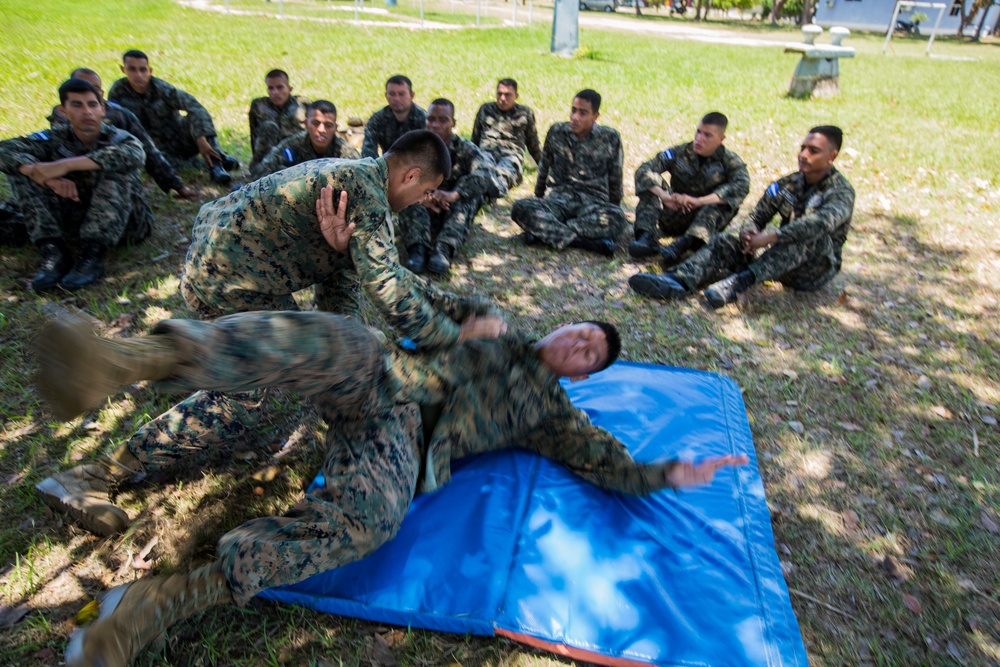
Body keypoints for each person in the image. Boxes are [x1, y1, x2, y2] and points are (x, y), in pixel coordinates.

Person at [35, 306, 748, 667]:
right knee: (343, 337)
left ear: (585, 375)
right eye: (581, 330)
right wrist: (452, 323)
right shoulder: (490, 320)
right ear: (562, 324)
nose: (578, 343)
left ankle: (149, 606)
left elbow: (609, 464)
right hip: (373, 373)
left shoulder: (550, 411)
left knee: (374, 518)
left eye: (590, 352)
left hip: (397, 435)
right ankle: (124, 357)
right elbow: (403, 296)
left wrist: (669, 475)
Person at [33, 130, 507, 538]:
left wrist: (341, 340)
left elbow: (341, 294)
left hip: (225, 259)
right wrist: (451, 336)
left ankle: (114, 368)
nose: (423, 202)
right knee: (248, 384)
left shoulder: (354, 178)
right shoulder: (368, 195)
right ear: (409, 176)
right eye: (425, 192)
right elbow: (390, 289)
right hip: (228, 276)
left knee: (304, 348)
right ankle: (98, 466)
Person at [629, 126, 854, 309]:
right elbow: (758, 214)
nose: (803, 155)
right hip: (777, 260)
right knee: (724, 241)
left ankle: (737, 284)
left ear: (831, 157)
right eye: (803, 148)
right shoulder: (788, 183)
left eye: (813, 151)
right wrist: (750, 231)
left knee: (808, 235)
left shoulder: (840, 191)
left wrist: (770, 238)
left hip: (812, 270)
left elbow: (821, 223)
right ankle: (677, 280)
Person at [0, 78, 152, 291]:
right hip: (74, 219)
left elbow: (133, 155)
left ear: (102, 109)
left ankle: (92, 256)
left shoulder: (117, 138)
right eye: (77, 105)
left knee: (115, 170)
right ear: (63, 111)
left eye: (92, 104)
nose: (87, 111)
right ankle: (54, 252)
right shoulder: (54, 137)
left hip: (126, 224)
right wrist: (42, 175)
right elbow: (4, 150)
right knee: (22, 171)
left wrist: (64, 166)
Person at [48, 67, 197, 199]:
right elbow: (48, 150)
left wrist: (177, 185)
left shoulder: (120, 115)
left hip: (111, 182)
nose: (85, 94)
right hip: (71, 187)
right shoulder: (61, 116)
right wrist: (49, 178)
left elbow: (148, 150)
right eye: (78, 89)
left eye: (93, 89)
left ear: (101, 93)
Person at [511, 89, 626, 258]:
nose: (575, 117)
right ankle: (584, 242)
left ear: (596, 117)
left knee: (617, 218)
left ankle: (546, 232)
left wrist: (614, 206)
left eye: (583, 113)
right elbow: (544, 166)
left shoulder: (610, 138)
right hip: (558, 200)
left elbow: (616, 176)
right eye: (573, 110)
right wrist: (539, 197)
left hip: (592, 203)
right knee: (520, 208)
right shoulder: (557, 132)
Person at [629, 112, 750, 263]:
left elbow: (742, 186)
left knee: (725, 203)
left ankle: (681, 246)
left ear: (721, 139)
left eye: (707, 135)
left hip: (702, 225)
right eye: (698, 132)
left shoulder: (730, 161)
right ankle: (645, 238)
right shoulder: (681, 152)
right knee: (651, 183)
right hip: (674, 212)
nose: (699, 139)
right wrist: (664, 196)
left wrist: (699, 201)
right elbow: (644, 169)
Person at [108, 49, 239, 185]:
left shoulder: (162, 89)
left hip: (180, 140)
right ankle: (214, 160)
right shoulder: (118, 92)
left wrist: (201, 139)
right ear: (123, 70)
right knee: (166, 167)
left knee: (197, 117)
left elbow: (196, 107)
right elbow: (114, 122)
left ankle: (216, 165)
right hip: (152, 149)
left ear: (150, 70)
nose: (138, 75)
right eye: (132, 69)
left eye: (143, 70)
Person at [411, 98, 507, 275]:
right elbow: (398, 178)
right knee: (407, 200)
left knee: (471, 196)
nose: (435, 125)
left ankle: (444, 249)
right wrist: (421, 197)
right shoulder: (415, 148)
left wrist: (454, 194)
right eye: (431, 119)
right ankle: (418, 249)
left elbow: (485, 174)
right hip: (425, 206)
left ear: (453, 123)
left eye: (443, 120)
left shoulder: (465, 148)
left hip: (452, 207)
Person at [361, 75, 432, 273]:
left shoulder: (423, 120)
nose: (397, 98)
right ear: (386, 95)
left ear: (412, 95)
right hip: (388, 174)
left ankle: (418, 248)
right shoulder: (378, 119)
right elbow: (368, 154)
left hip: (418, 176)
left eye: (402, 94)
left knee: (413, 203)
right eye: (392, 94)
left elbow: (430, 156)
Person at [250, 100, 360, 179]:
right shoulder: (292, 145)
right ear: (306, 124)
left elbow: (365, 181)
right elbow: (261, 173)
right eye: (315, 124)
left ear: (335, 128)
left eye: (328, 125)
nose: (321, 130)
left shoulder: (346, 153)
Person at [471, 78, 542, 190]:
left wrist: (544, 166)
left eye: (507, 95)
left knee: (504, 174)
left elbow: (533, 144)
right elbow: (475, 138)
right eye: (499, 94)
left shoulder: (525, 113)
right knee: (481, 170)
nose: (502, 98)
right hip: (487, 152)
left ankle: (493, 190)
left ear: (516, 96)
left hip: (511, 154)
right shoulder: (485, 109)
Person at [248, 69, 310, 169]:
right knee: (269, 126)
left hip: (295, 155)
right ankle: (260, 169)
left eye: (280, 87)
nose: (275, 92)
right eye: (271, 88)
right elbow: (254, 134)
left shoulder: (303, 105)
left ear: (290, 89)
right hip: (269, 156)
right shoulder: (259, 106)